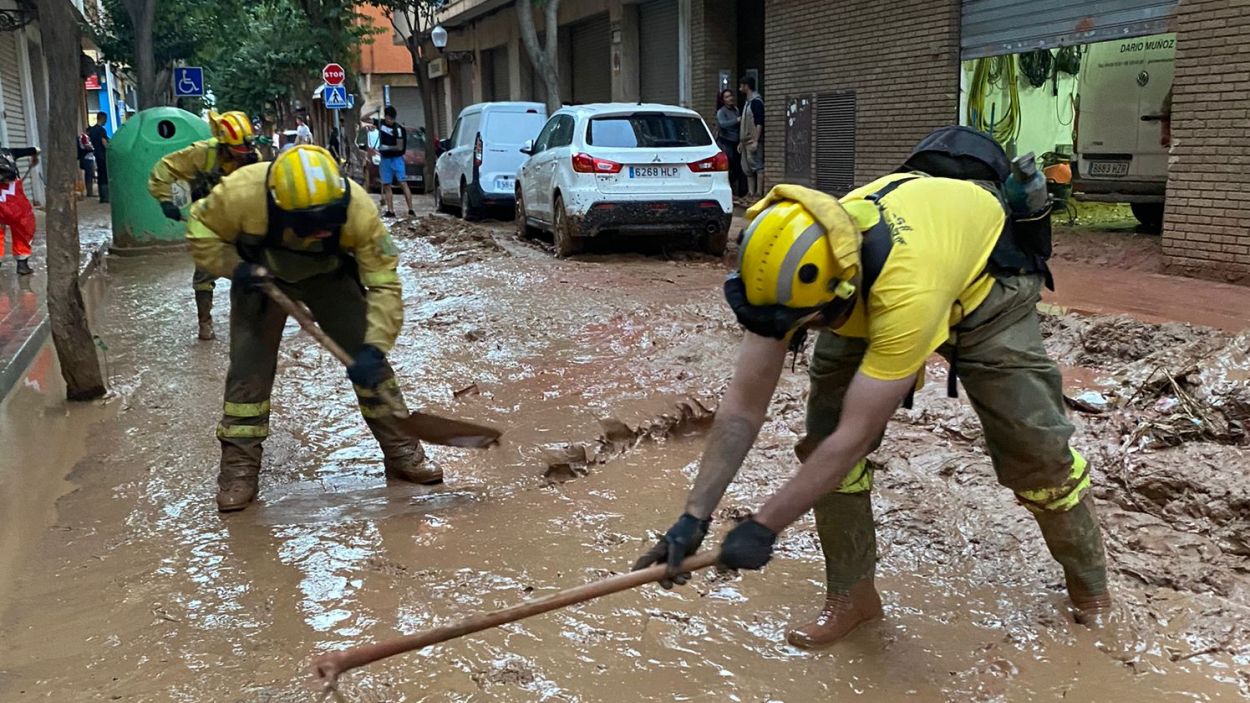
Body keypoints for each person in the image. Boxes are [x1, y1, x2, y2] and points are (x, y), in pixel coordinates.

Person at [634, 127, 1110, 650]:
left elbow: (855, 437)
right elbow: (743, 410)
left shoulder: (905, 293)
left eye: (802, 325)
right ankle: (853, 595)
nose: (795, 334)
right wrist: (692, 518)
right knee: (822, 442)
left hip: (985, 294)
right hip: (880, 285)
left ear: (837, 297)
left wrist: (763, 527)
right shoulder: (787, 270)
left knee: (1035, 454)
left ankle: (1091, 592)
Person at [186, 145, 440, 511]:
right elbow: (200, 229)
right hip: (260, 277)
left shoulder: (358, 211)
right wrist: (234, 266)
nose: (320, 229)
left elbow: (384, 283)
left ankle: (403, 452)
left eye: (328, 219)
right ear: (278, 202)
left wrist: (374, 345)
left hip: (330, 276)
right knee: (248, 374)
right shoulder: (241, 194)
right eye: (310, 222)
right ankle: (239, 470)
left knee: (372, 365)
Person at [148, 110, 260, 341]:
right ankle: (205, 324)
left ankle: (247, 324)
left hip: (242, 221)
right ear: (223, 144)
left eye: (246, 150)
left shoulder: (253, 157)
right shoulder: (201, 153)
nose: (243, 155)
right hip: (209, 222)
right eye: (237, 151)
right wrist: (165, 200)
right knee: (204, 274)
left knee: (248, 274)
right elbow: (163, 169)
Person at [363, 106, 415, 218]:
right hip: (385, 160)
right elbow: (364, 118)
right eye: (387, 118)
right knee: (386, 184)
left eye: (391, 119)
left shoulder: (399, 129)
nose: (389, 121)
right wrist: (375, 111)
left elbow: (399, 147)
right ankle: (390, 210)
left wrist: (386, 147)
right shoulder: (380, 123)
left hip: (397, 159)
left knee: (403, 183)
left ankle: (411, 209)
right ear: (385, 116)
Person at [0, 147, 38, 275]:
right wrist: (35, 156)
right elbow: (35, 149)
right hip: (14, 205)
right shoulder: (9, 153)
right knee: (21, 229)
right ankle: (22, 265)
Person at [738, 76, 765, 198]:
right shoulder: (747, 102)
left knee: (757, 165)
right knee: (747, 168)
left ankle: (759, 192)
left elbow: (759, 122)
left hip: (752, 140)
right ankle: (750, 192)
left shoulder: (756, 102)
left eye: (742, 85)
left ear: (746, 86)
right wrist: (741, 142)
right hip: (744, 141)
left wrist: (756, 140)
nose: (740, 88)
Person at [715, 88, 745, 197]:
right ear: (723, 100)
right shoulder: (721, 112)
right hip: (725, 143)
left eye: (731, 96)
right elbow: (723, 124)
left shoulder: (736, 109)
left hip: (736, 142)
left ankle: (735, 189)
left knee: (738, 168)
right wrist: (736, 120)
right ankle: (728, 190)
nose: (730, 98)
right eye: (727, 97)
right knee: (729, 167)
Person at [86, 111, 110, 203]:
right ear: (102, 118)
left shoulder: (92, 130)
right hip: (103, 155)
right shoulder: (101, 130)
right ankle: (106, 196)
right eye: (105, 119)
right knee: (104, 175)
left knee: (100, 175)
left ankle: (102, 196)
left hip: (96, 154)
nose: (106, 122)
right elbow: (104, 142)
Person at [77, 131, 96, 198]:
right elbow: (86, 146)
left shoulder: (84, 137)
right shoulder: (84, 137)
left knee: (89, 175)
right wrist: (92, 149)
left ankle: (90, 191)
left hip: (88, 158)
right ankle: (89, 192)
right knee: (89, 175)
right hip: (87, 158)